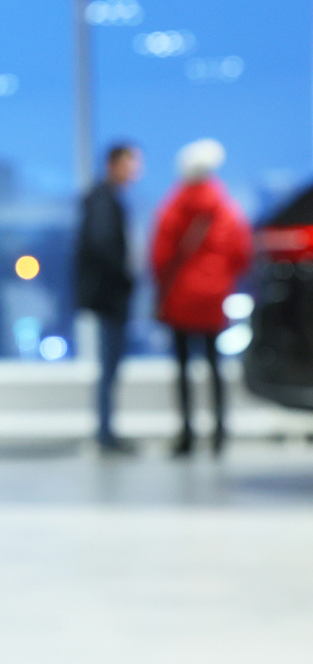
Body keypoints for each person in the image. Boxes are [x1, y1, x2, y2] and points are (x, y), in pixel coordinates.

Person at [150, 139, 252, 456]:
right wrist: (221, 280)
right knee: (214, 367)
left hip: (180, 298)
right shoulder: (225, 209)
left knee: (183, 369)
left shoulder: (172, 208)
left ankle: (187, 434)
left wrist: (163, 289)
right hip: (213, 298)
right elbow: (242, 252)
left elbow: (159, 257)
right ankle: (220, 433)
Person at [76, 143, 142, 454]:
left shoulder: (105, 198)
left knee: (111, 365)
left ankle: (107, 431)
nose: (136, 170)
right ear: (114, 164)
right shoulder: (104, 200)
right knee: (109, 365)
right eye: (131, 163)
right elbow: (103, 247)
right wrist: (125, 276)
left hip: (108, 294)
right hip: (109, 296)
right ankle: (105, 433)